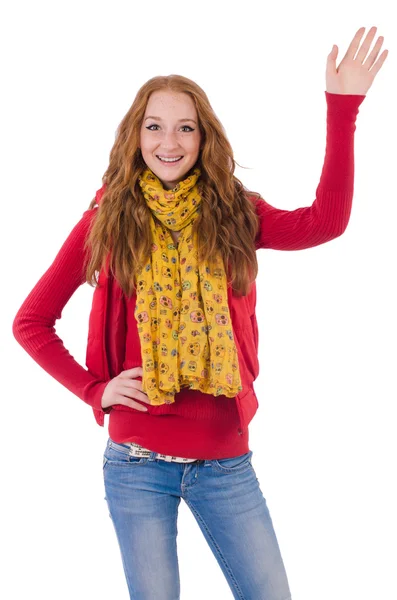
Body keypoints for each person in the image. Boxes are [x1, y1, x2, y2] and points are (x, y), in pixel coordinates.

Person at [12, 25, 387, 600]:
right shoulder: (106, 223)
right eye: (154, 126)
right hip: (136, 463)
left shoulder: (238, 215)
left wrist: (343, 110)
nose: (169, 142)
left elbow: (326, 222)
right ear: (135, 137)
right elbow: (31, 321)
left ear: (203, 136)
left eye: (185, 127)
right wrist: (96, 390)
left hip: (225, 464)